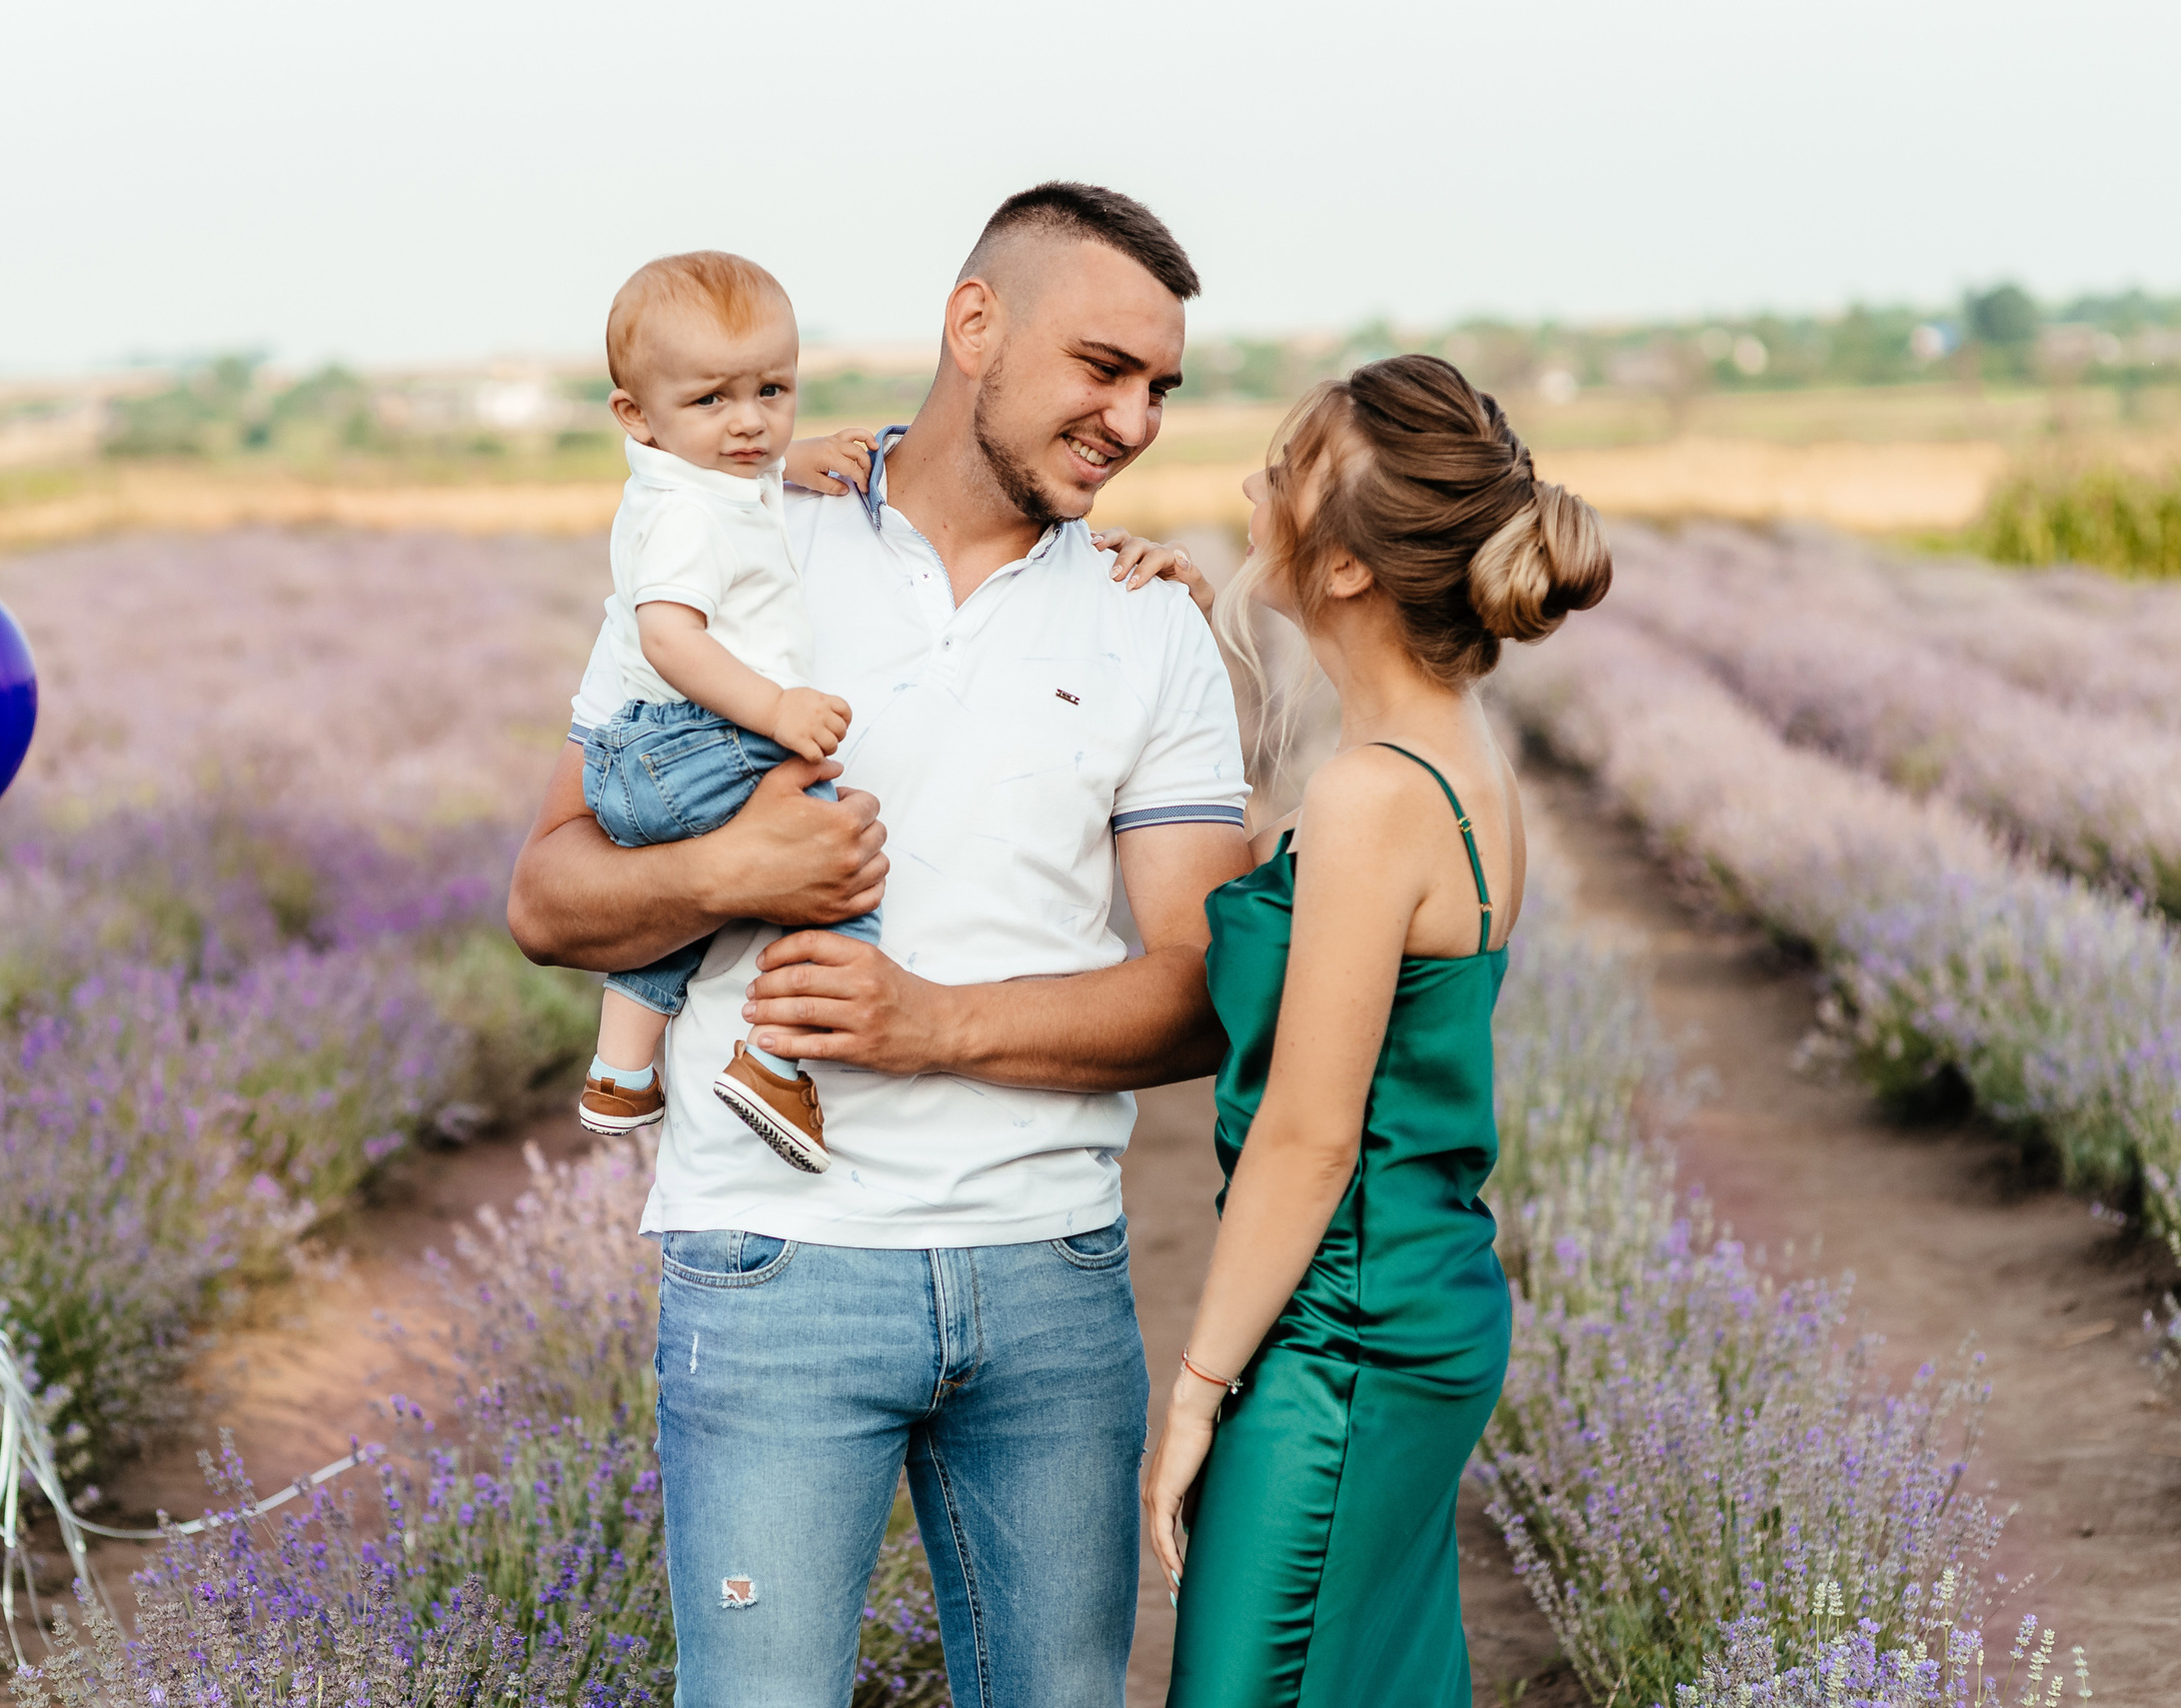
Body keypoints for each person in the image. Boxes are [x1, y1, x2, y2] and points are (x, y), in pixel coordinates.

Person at [509, 183, 1250, 1708]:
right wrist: (733, 863)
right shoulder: (740, 539)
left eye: (1159, 388)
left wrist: (930, 1024)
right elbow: (550, 894)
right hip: (775, 1266)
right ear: (973, 324)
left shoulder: (1154, 622)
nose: (1134, 420)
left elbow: (1200, 991)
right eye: (1101, 368)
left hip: (1050, 1274)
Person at [1141, 353, 1612, 1707]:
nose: (1250, 483)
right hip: (1414, 1301)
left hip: (1343, 1333)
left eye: (1286, 469)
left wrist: (1196, 1387)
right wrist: (1196, 625)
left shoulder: (1373, 795)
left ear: (1349, 569)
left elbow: (1308, 1133)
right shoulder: (1449, 764)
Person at [572, 247, 895, 1168]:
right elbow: (671, 637)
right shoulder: (688, 518)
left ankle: (621, 1072)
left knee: (687, 911)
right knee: (839, 869)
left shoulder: (690, 479)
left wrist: (799, 459)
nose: (751, 422)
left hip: (636, 761)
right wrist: (778, 706)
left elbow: (744, 472)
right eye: (713, 401)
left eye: (774, 391)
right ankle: (770, 1061)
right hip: (696, 741)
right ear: (634, 414)